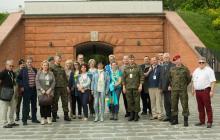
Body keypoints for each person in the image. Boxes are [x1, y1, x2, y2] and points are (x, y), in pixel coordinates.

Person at [192, 57, 216, 128]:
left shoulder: (209, 70)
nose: (201, 64)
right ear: (198, 63)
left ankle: (209, 121)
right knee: (200, 107)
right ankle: (202, 121)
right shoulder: (196, 70)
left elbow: (213, 81)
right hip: (198, 91)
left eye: (203, 62)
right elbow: (193, 80)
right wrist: (193, 89)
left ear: (205, 63)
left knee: (207, 106)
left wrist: (211, 91)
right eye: (200, 62)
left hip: (205, 91)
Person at [169, 55, 191, 127]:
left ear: (180, 60)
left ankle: (185, 120)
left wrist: (184, 85)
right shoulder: (172, 69)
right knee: (174, 105)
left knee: (184, 104)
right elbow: (170, 78)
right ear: (174, 62)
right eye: (176, 60)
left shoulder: (185, 69)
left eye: (178, 60)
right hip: (174, 90)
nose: (177, 61)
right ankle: (175, 120)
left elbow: (189, 79)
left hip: (182, 90)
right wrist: (172, 85)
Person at [17, 57, 40, 125]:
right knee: (26, 105)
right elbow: (18, 79)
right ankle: (24, 120)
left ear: (32, 62)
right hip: (26, 90)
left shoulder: (34, 70)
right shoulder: (23, 70)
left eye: (30, 62)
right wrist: (21, 86)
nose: (29, 63)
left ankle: (34, 118)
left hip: (33, 90)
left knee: (34, 105)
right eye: (28, 62)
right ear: (26, 63)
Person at [122, 55, 144, 121]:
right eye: (130, 59)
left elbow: (142, 77)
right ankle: (131, 115)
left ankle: (136, 115)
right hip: (128, 87)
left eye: (132, 59)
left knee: (136, 101)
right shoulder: (126, 68)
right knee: (129, 101)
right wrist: (123, 87)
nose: (131, 60)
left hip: (136, 87)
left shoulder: (138, 67)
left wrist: (140, 85)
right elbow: (123, 78)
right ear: (128, 60)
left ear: (134, 60)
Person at [50, 55, 71, 122]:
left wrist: (67, 86)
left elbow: (65, 78)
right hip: (56, 87)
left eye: (60, 59)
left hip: (63, 87)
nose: (59, 60)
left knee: (65, 101)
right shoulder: (52, 68)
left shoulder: (62, 68)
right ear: (55, 59)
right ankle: (54, 116)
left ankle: (66, 116)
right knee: (55, 102)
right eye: (58, 59)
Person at [0, 60, 19, 128]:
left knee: (13, 107)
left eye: (12, 66)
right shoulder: (3, 73)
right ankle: (4, 123)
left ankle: (11, 122)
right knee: (4, 109)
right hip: (4, 93)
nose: (11, 67)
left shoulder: (12, 73)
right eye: (10, 66)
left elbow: (14, 81)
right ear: (6, 65)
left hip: (11, 93)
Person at [36, 60, 55, 125]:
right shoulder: (39, 73)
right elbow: (37, 81)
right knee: (42, 105)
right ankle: (43, 118)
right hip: (41, 92)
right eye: (44, 65)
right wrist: (41, 89)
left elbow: (54, 82)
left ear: (48, 66)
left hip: (49, 91)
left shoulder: (51, 73)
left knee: (48, 105)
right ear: (42, 66)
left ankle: (49, 118)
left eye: (46, 65)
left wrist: (50, 89)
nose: (45, 66)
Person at [159, 53, 174, 122]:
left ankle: (173, 117)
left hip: (170, 88)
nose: (166, 58)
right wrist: (160, 87)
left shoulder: (173, 66)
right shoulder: (162, 66)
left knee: (172, 102)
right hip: (164, 88)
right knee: (166, 103)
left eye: (167, 57)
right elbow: (161, 78)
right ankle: (168, 115)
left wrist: (171, 85)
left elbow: (174, 78)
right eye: (165, 57)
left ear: (169, 58)